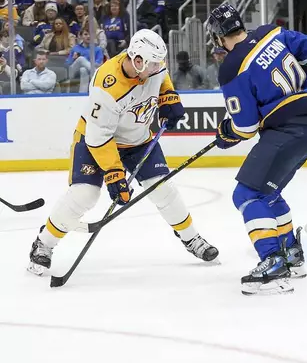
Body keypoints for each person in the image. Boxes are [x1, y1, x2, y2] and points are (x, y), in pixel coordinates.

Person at [27, 29, 219, 276]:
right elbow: (99, 138)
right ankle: (44, 243)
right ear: (137, 60)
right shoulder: (107, 86)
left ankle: (191, 239)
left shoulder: (152, 65)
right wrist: (115, 173)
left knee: (163, 188)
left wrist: (168, 97)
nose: (157, 68)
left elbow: (162, 78)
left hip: (137, 141)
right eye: (152, 64)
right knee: (84, 195)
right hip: (95, 141)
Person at [207, 2, 307, 295]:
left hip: (287, 128)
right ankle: (292, 255)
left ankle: (273, 263)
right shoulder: (271, 32)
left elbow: (246, 127)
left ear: (218, 36)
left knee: (247, 194)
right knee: (269, 192)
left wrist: (227, 134)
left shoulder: (231, 67)